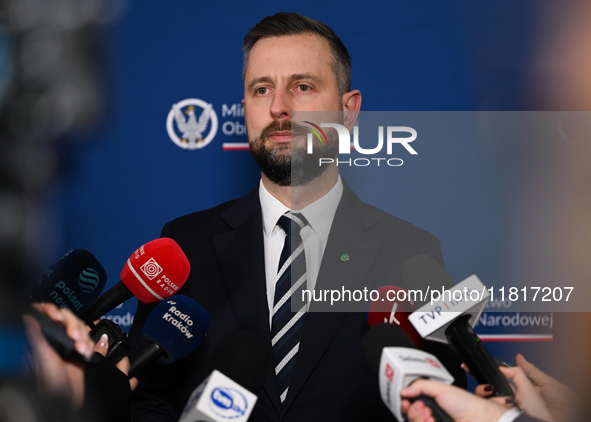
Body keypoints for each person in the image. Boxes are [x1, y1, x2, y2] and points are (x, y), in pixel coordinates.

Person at [128, 12, 465, 421]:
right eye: (261, 89)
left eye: (302, 87)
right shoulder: (184, 245)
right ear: (245, 108)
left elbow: (441, 403)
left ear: (348, 110)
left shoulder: (412, 252)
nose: (278, 107)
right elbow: (149, 400)